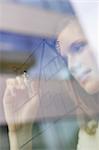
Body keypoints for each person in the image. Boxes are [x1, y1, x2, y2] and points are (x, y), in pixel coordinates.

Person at [57, 17, 99, 149]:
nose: (71, 67)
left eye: (78, 48)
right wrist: (19, 134)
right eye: (65, 60)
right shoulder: (90, 134)